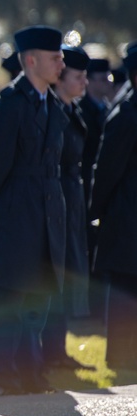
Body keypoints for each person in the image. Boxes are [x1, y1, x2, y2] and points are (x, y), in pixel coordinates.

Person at [0, 25, 66, 396]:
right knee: (7, 301)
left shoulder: (53, 106)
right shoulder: (9, 106)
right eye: (54, 57)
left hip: (45, 217)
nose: (61, 63)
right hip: (12, 215)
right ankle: (3, 378)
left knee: (36, 302)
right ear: (31, 60)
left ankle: (31, 374)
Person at [41, 46, 96, 370]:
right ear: (60, 78)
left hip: (71, 200)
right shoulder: (50, 111)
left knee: (67, 273)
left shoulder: (70, 111)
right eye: (78, 77)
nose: (84, 83)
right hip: (54, 199)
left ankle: (57, 351)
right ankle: (47, 352)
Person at [89, 47, 137, 369]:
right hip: (128, 220)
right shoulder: (126, 115)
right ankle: (120, 362)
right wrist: (97, 211)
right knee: (124, 294)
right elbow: (106, 172)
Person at [79, 57, 112, 319]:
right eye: (100, 78)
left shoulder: (106, 109)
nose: (106, 83)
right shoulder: (83, 111)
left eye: (108, 78)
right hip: (82, 184)